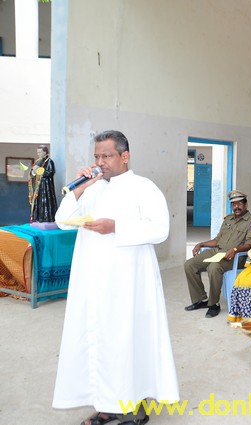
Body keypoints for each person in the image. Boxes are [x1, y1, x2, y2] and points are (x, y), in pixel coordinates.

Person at [53, 130, 178, 425]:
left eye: (106, 156)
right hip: (93, 282)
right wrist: (80, 188)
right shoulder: (92, 188)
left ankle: (133, 407)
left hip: (128, 283)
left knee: (127, 340)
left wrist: (116, 227)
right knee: (100, 342)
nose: (100, 162)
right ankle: (106, 405)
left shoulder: (144, 187)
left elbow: (160, 229)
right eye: (97, 156)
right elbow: (62, 221)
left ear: (125, 156)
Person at [184, 190, 251, 318]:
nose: (236, 207)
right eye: (234, 204)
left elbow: (249, 245)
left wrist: (235, 250)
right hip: (217, 251)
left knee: (213, 267)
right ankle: (201, 299)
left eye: (239, 203)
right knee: (189, 265)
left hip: (234, 256)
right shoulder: (228, 219)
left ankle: (214, 304)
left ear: (246, 205)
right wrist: (201, 244)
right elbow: (217, 240)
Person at [28, 145, 58, 223]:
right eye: (37, 152)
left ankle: (47, 218)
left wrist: (40, 172)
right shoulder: (37, 162)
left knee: (46, 201)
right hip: (38, 186)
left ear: (45, 152)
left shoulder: (49, 161)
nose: (38, 154)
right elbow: (32, 173)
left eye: (40, 152)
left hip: (46, 186)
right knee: (38, 202)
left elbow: (50, 172)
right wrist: (33, 172)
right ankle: (37, 218)